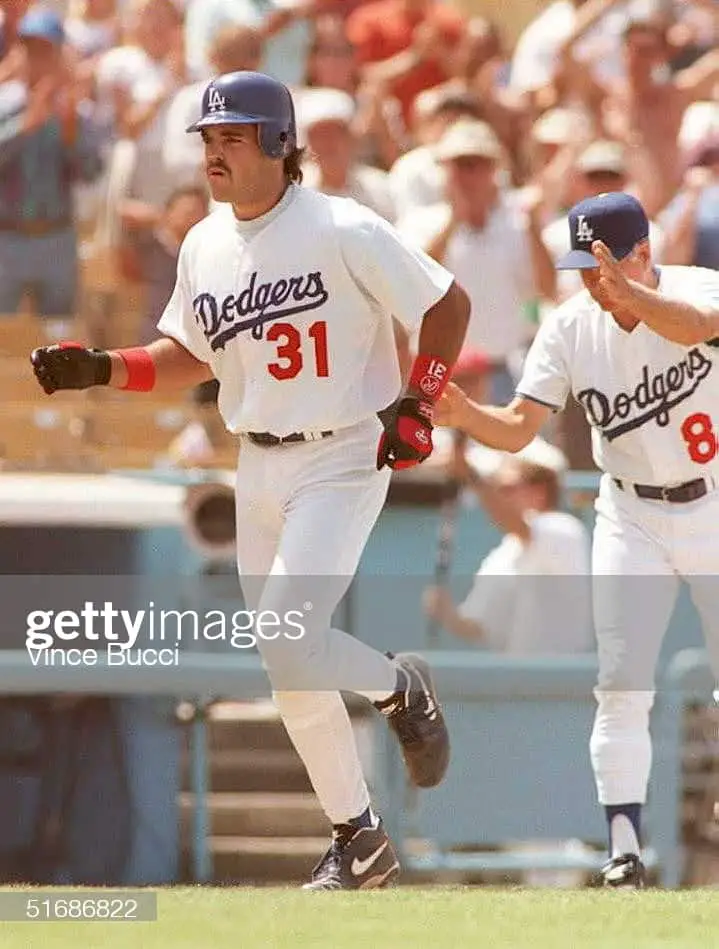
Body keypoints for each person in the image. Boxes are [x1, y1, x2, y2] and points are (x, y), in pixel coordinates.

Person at [30, 69, 470, 891]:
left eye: (231, 136)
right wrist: (99, 366)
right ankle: (360, 837)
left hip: (341, 450)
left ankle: (395, 686)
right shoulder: (204, 241)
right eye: (207, 138)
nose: (213, 153)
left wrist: (420, 399)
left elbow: (448, 304)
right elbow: (189, 357)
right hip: (256, 457)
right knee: (284, 659)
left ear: (277, 144)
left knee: (286, 630)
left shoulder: (341, 225)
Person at [433, 190, 719, 889]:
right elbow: (517, 427)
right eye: (583, 267)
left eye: (604, 265)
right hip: (629, 513)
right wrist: (464, 412)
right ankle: (623, 848)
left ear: (643, 251)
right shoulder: (568, 326)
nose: (593, 281)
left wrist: (633, 293)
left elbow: (697, 325)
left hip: (712, 500)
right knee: (620, 685)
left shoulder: (696, 287)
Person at [423, 448, 592, 655]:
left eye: (508, 488)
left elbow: (515, 524)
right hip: (518, 680)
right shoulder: (504, 553)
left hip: (562, 679)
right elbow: (477, 627)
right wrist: (447, 613)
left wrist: (470, 475)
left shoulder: (564, 529)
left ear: (539, 490)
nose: (499, 494)